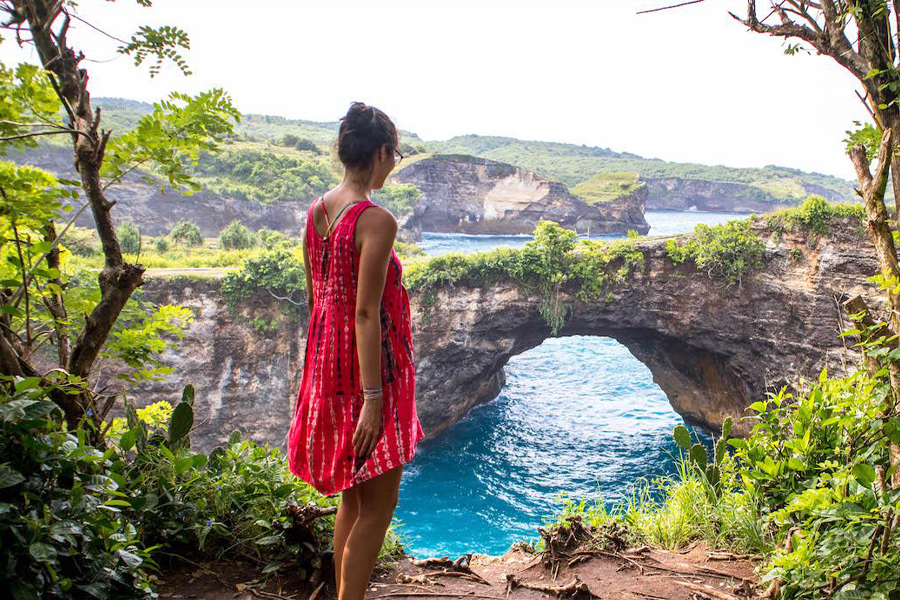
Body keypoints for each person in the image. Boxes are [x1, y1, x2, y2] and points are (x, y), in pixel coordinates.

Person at [287, 101, 425, 600]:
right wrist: (374, 397)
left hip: (327, 365)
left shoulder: (317, 212)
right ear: (382, 152)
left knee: (353, 495)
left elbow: (316, 297)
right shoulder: (376, 220)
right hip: (372, 372)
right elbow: (365, 313)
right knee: (379, 506)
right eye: (396, 154)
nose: (395, 163)